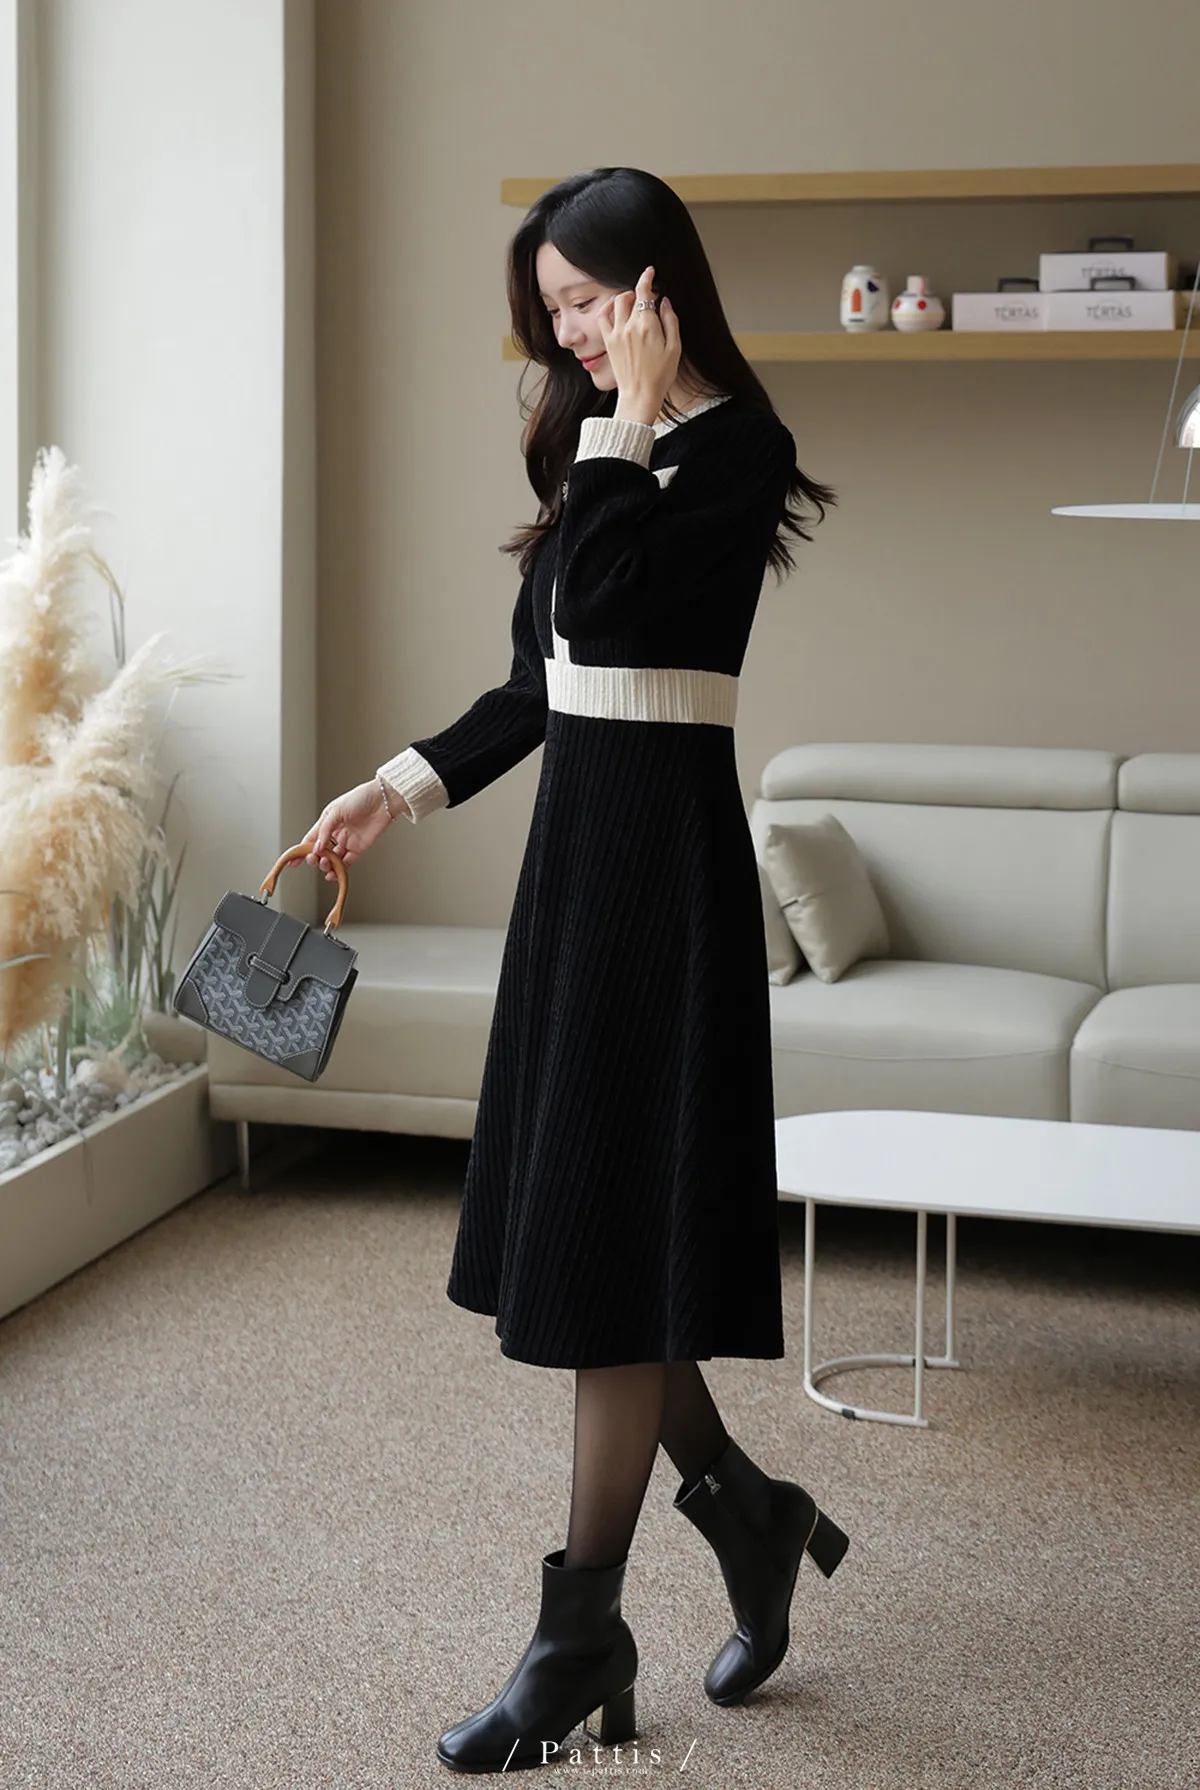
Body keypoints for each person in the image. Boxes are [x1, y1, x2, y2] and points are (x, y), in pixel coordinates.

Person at [295, 166, 847, 1775]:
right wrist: (394, 787)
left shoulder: (734, 448)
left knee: (609, 1251)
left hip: (664, 888)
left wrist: (635, 421)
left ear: (661, 288)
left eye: (594, 304)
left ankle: (579, 1629)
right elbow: (545, 676)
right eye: (556, 316)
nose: (577, 338)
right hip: (575, 878)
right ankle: (747, 1511)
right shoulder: (596, 439)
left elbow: (608, 605)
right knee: (611, 1241)